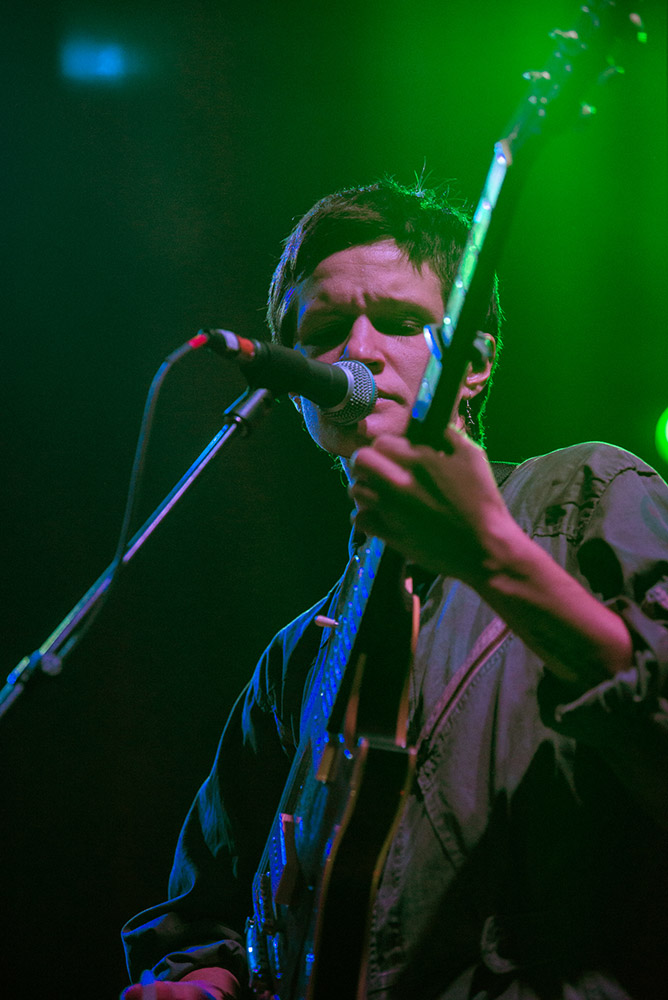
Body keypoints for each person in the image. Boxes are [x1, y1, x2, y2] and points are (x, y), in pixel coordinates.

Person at [121, 180, 668, 1000]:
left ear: (473, 365)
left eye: (404, 323)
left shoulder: (583, 496)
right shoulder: (295, 661)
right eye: (328, 331)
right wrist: (202, 980)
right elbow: (207, 917)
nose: (361, 350)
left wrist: (493, 557)